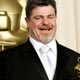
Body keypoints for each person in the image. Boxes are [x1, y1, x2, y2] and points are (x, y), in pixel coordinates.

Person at [0, 0, 80, 80]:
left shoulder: (75, 59)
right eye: (38, 18)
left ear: (55, 18)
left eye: (50, 17)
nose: (45, 22)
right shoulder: (5, 60)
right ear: (27, 22)